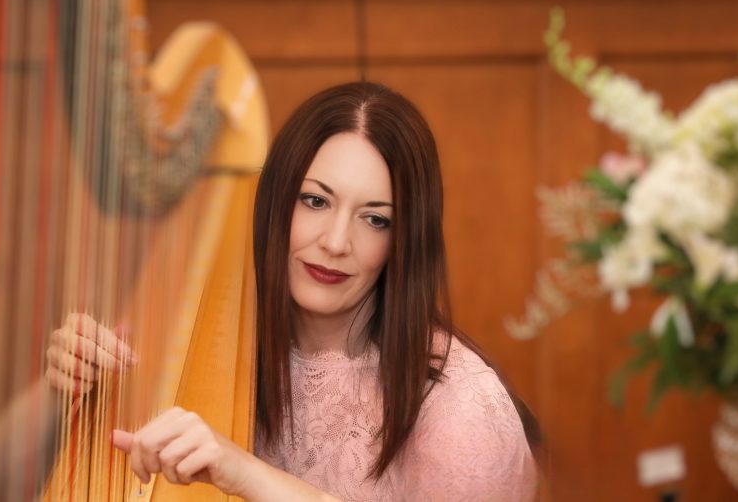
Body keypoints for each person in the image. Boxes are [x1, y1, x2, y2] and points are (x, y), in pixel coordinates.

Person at [44, 82, 540, 500]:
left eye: (374, 218)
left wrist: (248, 473)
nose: (336, 242)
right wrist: (62, 390)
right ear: (276, 200)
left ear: (404, 240)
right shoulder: (206, 337)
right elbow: (2, 470)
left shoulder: (461, 412)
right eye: (315, 200)